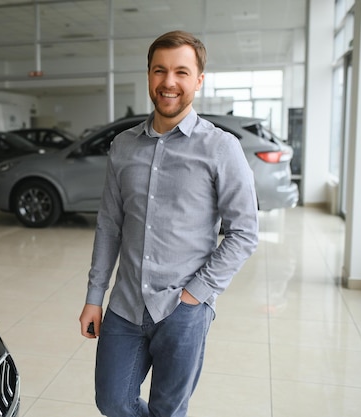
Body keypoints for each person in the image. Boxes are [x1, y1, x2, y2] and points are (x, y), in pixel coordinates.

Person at [79, 30, 259, 417]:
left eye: (181, 71)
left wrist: (197, 294)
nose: (169, 82)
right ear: (149, 76)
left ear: (198, 80)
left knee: (168, 408)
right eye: (160, 71)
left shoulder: (220, 147)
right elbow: (109, 224)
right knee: (111, 400)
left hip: (184, 309)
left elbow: (244, 232)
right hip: (125, 304)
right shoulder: (123, 146)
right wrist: (95, 298)